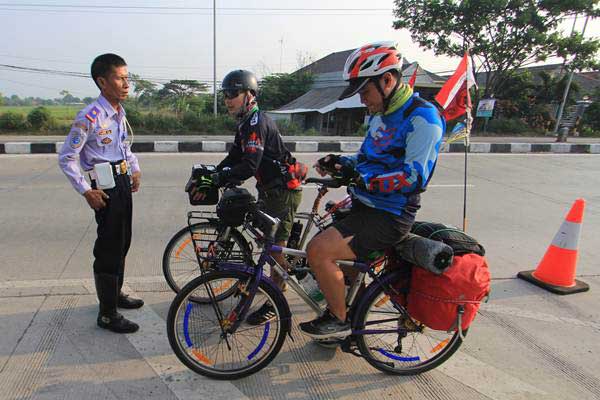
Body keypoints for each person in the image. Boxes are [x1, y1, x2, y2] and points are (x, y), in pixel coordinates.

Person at [299, 41, 446, 340]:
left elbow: (414, 177)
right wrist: (341, 163)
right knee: (332, 261)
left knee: (317, 252)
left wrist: (361, 177)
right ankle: (349, 314)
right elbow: (366, 160)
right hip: (365, 206)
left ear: (387, 80)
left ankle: (339, 321)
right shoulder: (380, 115)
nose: (362, 100)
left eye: (365, 92)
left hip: (390, 215)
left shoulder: (423, 118)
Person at [191, 69, 304, 325]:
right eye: (226, 94)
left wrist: (222, 178)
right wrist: (215, 173)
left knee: (273, 250)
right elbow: (235, 157)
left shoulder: (256, 123)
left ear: (249, 95)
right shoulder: (244, 123)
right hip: (269, 190)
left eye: (233, 93)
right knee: (264, 239)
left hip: (283, 191)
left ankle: (277, 300)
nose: (228, 99)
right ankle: (257, 282)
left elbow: (250, 165)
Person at [58, 53, 143, 334]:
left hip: (122, 182)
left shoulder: (118, 112)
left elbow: (123, 146)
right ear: (102, 82)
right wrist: (86, 191)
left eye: (127, 77)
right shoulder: (89, 116)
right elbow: (67, 157)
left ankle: (115, 295)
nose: (126, 83)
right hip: (103, 187)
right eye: (120, 78)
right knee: (108, 248)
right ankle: (107, 314)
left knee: (123, 241)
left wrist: (135, 168)